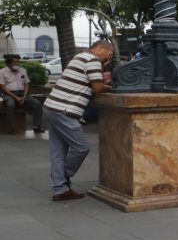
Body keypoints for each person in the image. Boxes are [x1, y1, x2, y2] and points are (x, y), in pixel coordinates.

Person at [41, 40, 114, 201]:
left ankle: (60, 189)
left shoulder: (80, 56)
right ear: (100, 48)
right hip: (64, 111)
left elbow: (90, 81)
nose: (109, 57)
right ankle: (62, 176)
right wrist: (111, 87)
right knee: (81, 147)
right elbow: (98, 88)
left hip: (51, 107)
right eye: (109, 54)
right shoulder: (93, 60)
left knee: (58, 151)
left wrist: (103, 70)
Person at [2, 54, 45, 135]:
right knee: (10, 105)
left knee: (37, 103)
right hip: (9, 94)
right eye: (14, 62)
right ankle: (12, 128)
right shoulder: (2, 72)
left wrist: (24, 96)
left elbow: (26, 84)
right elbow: (2, 87)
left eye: (18, 62)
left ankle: (37, 126)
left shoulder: (23, 70)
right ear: (8, 63)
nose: (17, 64)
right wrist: (16, 97)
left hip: (22, 93)